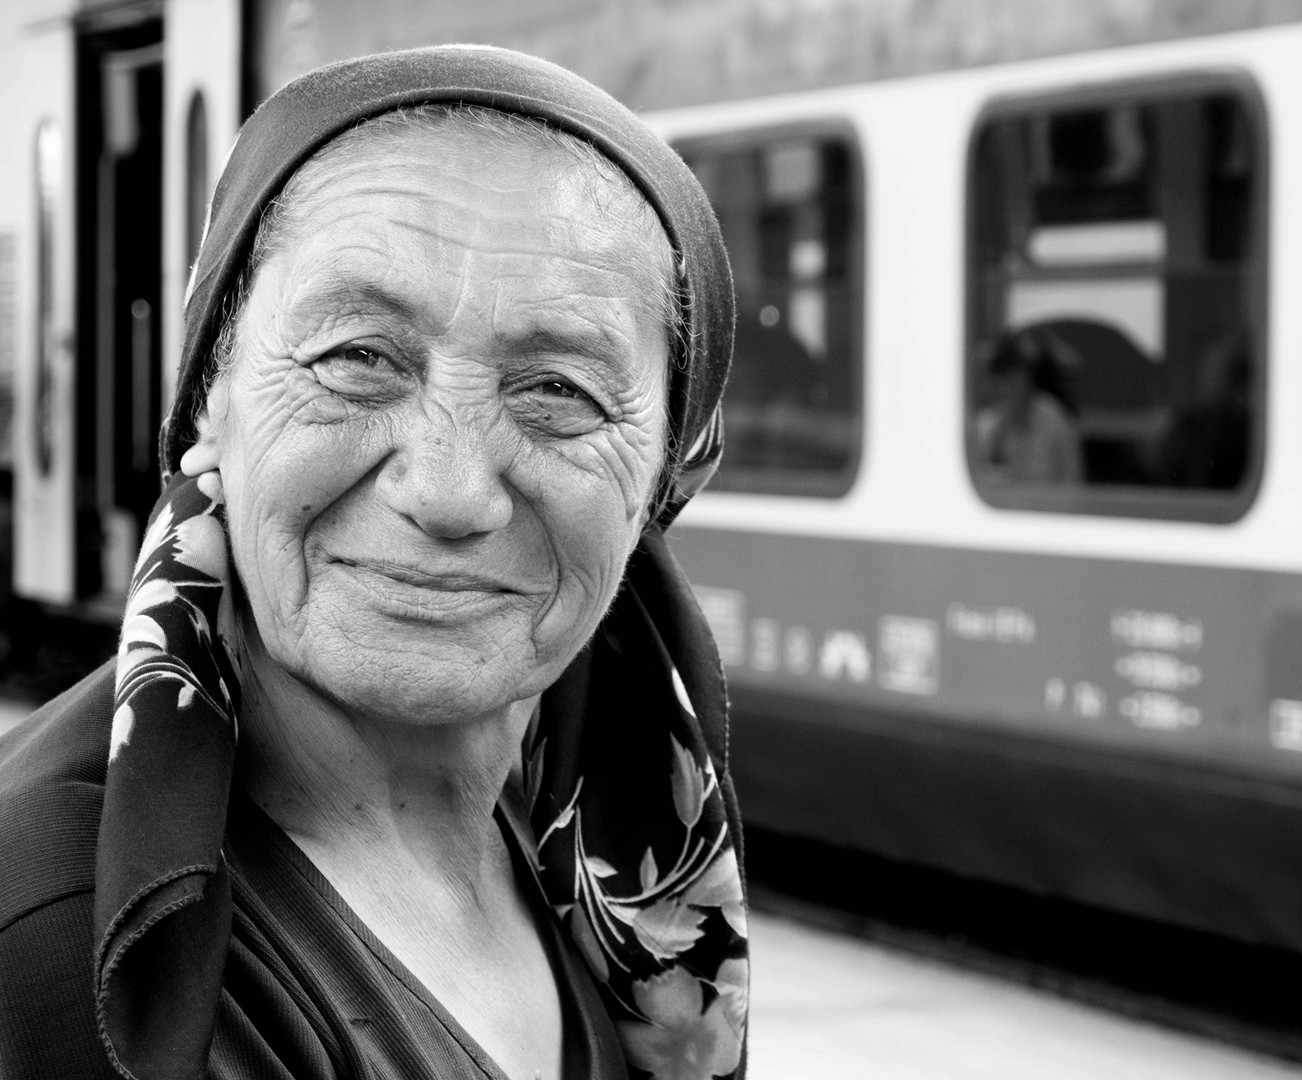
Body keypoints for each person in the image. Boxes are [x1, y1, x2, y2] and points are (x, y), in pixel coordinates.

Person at [0, 47, 747, 1080]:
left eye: (558, 393)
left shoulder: (569, 834)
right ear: (211, 400)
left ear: (671, 465)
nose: (446, 490)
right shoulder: (52, 942)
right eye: (357, 358)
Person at [972, 328, 1083, 484]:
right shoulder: (987, 425)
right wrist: (999, 435)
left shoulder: (1055, 419)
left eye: (1018, 374)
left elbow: (1073, 481)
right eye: (1005, 376)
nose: (1011, 384)